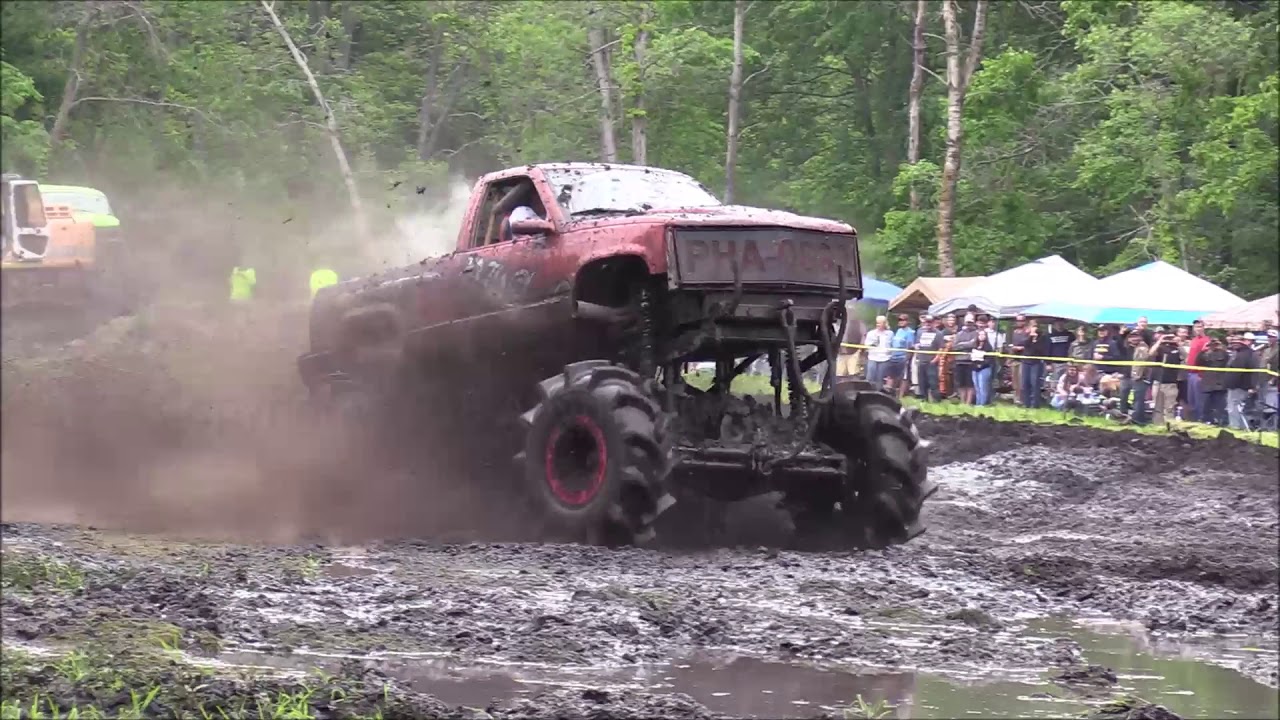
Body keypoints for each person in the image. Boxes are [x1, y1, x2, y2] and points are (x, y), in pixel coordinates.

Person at [1195, 337, 1229, 426]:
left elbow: (1227, 363)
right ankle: (1207, 420)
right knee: (1206, 405)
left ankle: (1221, 421)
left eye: (1215, 344)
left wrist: (1222, 348)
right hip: (1207, 383)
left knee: (1220, 405)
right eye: (1212, 344)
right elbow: (1197, 362)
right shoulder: (1205, 354)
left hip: (1219, 383)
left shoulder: (1224, 354)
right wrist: (1203, 350)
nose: (1214, 346)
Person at [1225, 335, 1256, 430]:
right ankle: (1242, 426)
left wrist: (1251, 386)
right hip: (1237, 386)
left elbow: (1239, 371)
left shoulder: (1244, 355)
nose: (1234, 344)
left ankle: (1235, 426)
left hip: (1239, 386)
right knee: (1238, 407)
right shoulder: (1238, 353)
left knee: (1234, 407)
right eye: (1233, 342)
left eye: (1237, 342)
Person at [914, 315, 944, 402]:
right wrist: (916, 349)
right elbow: (916, 344)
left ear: (933, 323)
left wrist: (935, 359)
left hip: (931, 361)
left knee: (933, 382)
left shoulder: (938, 333)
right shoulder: (920, 332)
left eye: (930, 322)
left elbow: (941, 348)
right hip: (921, 359)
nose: (928, 324)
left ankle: (936, 400)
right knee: (922, 382)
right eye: (926, 322)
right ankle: (924, 398)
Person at [951, 314, 980, 405]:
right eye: (967, 322)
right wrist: (967, 344)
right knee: (961, 383)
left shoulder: (976, 333)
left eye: (971, 322)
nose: (969, 324)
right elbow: (954, 346)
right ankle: (962, 402)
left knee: (970, 384)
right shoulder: (959, 334)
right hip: (959, 361)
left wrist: (961, 344)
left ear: (973, 322)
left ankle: (968, 402)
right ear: (964, 322)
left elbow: (974, 344)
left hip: (971, 361)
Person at [1185, 319, 1210, 421]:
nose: (1198, 329)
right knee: (1191, 399)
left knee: (1199, 399)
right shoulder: (1194, 340)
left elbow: (1205, 359)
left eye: (1200, 326)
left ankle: (1200, 419)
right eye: (1196, 327)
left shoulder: (1206, 340)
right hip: (1190, 372)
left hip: (1198, 374)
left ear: (1203, 328)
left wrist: (1201, 374)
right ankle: (1193, 419)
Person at [1021, 318, 1048, 408]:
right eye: (1032, 326)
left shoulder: (1042, 337)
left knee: (1035, 383)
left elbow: (1041, 350)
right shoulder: (1026, 336)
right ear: (1029, 327)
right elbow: (1024, 344)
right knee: (1025, 383)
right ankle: (1026, 403)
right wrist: (1031, 337)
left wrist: (1036, 340)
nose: (1034, 328)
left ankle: (1035, 404)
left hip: (1036, 363)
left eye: (1036, 326)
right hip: (1026, 362)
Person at [889, 313, 916, 398]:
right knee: (891, 376)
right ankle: (889, 393)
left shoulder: (910, 332)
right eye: (899, 320)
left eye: (903, 320)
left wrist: (907, 359)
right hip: (894, 356)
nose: (901, 321)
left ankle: (901, 396)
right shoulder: (898, 331)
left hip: (903, 357)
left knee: (903, 377)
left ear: (907, 321)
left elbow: (910, 347)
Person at [1127, 331, 1152, 424]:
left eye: (1136, 336)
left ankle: (1138, 419)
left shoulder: (1142, 347)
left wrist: (1138, 376)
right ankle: (1133, 417)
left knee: (1139, 399)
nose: (1134, 338)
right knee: (1135, 398)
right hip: (1133, 376)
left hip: (1141, 377)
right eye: (1132, 336)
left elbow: (1141, 361)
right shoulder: (1131, 347)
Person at [864, 315, 894, 389]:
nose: (878, 325)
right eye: (877, 323)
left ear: (884, 324)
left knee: (880, 378)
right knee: (870, 377)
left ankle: (878, 392)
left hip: (885, 358)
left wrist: (890, 353)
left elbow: (892, 345)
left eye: (880, 323)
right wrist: (872, 344)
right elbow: (866, 345)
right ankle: (868, 391)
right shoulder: (871, 333)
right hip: (873, 357)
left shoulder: (890, 333)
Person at [1009, 314, 1029, 405]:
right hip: (1014, 358)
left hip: (1023, 359)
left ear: (1025, 321)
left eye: (1021, 320)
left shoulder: (1027, 332)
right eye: (1018, 320)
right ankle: (1016, 398)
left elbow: (1029, 345)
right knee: (1015, 380)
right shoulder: (1014, 332)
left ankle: (1022, 399)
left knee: (1022, 380)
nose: (1019, 322)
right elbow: (1010, 345)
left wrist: (1021, 348)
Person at [938, 314, 958, 399]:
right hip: (945, 355)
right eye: (949, 320)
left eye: (953, 320)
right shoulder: (943, 332)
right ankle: (945, 392)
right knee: (944, 374)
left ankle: (955, 392)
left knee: (955, 375)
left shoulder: (958, 330)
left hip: (955, 355)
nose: (951, 322)